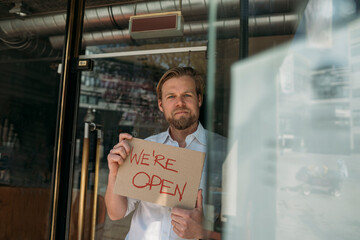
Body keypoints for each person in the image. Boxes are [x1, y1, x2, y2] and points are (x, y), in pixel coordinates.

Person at [105, 67, 225, 240]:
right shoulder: (145, 149)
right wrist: (114, 174)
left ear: (199, 99)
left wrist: (205, 233)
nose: (180, 102)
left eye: (187, 95)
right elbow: (116, 213)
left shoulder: (223, 151)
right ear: (161, 105)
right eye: (171, 96)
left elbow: (244, 225)